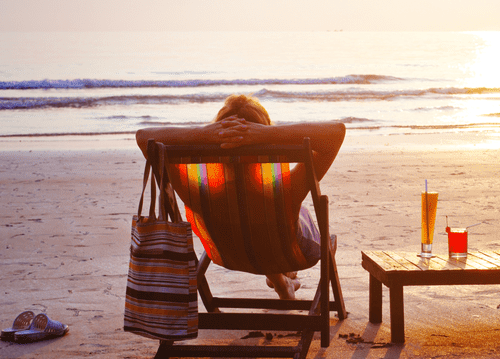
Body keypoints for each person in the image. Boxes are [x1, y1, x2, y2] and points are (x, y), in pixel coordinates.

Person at [136, 94, 346, 299]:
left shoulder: (198, 193)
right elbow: (336, 132)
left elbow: (144, 137)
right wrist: (266, 134)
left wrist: (205, 134)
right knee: (293, 219)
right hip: (292, 256)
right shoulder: (286, 191)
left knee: (256, 225)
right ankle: (285, 278)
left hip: (228, 256)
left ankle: (283, 283)